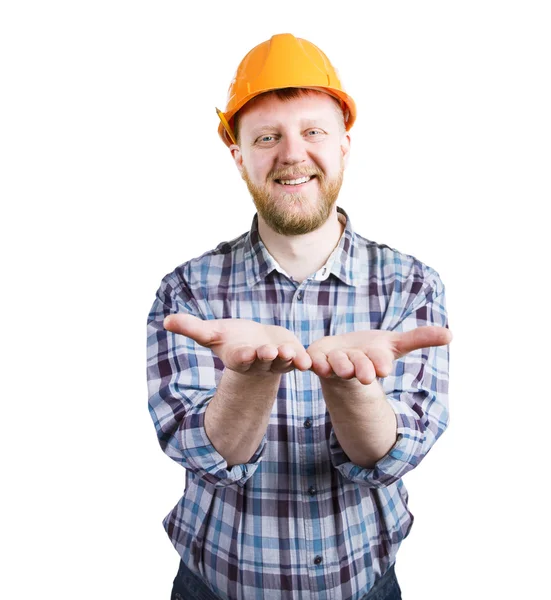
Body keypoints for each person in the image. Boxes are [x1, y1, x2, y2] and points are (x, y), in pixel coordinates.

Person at [147, 33, 452, 600]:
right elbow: (198, 454)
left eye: (312, 131)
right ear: (238, 156)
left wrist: (351, 387)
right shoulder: (186, 292)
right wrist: (248, 380)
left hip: (366, 585)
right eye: (267, 137)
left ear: (343, 145)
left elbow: (395, 456)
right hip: (214, 587)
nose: (292, 153)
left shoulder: (412, 286)